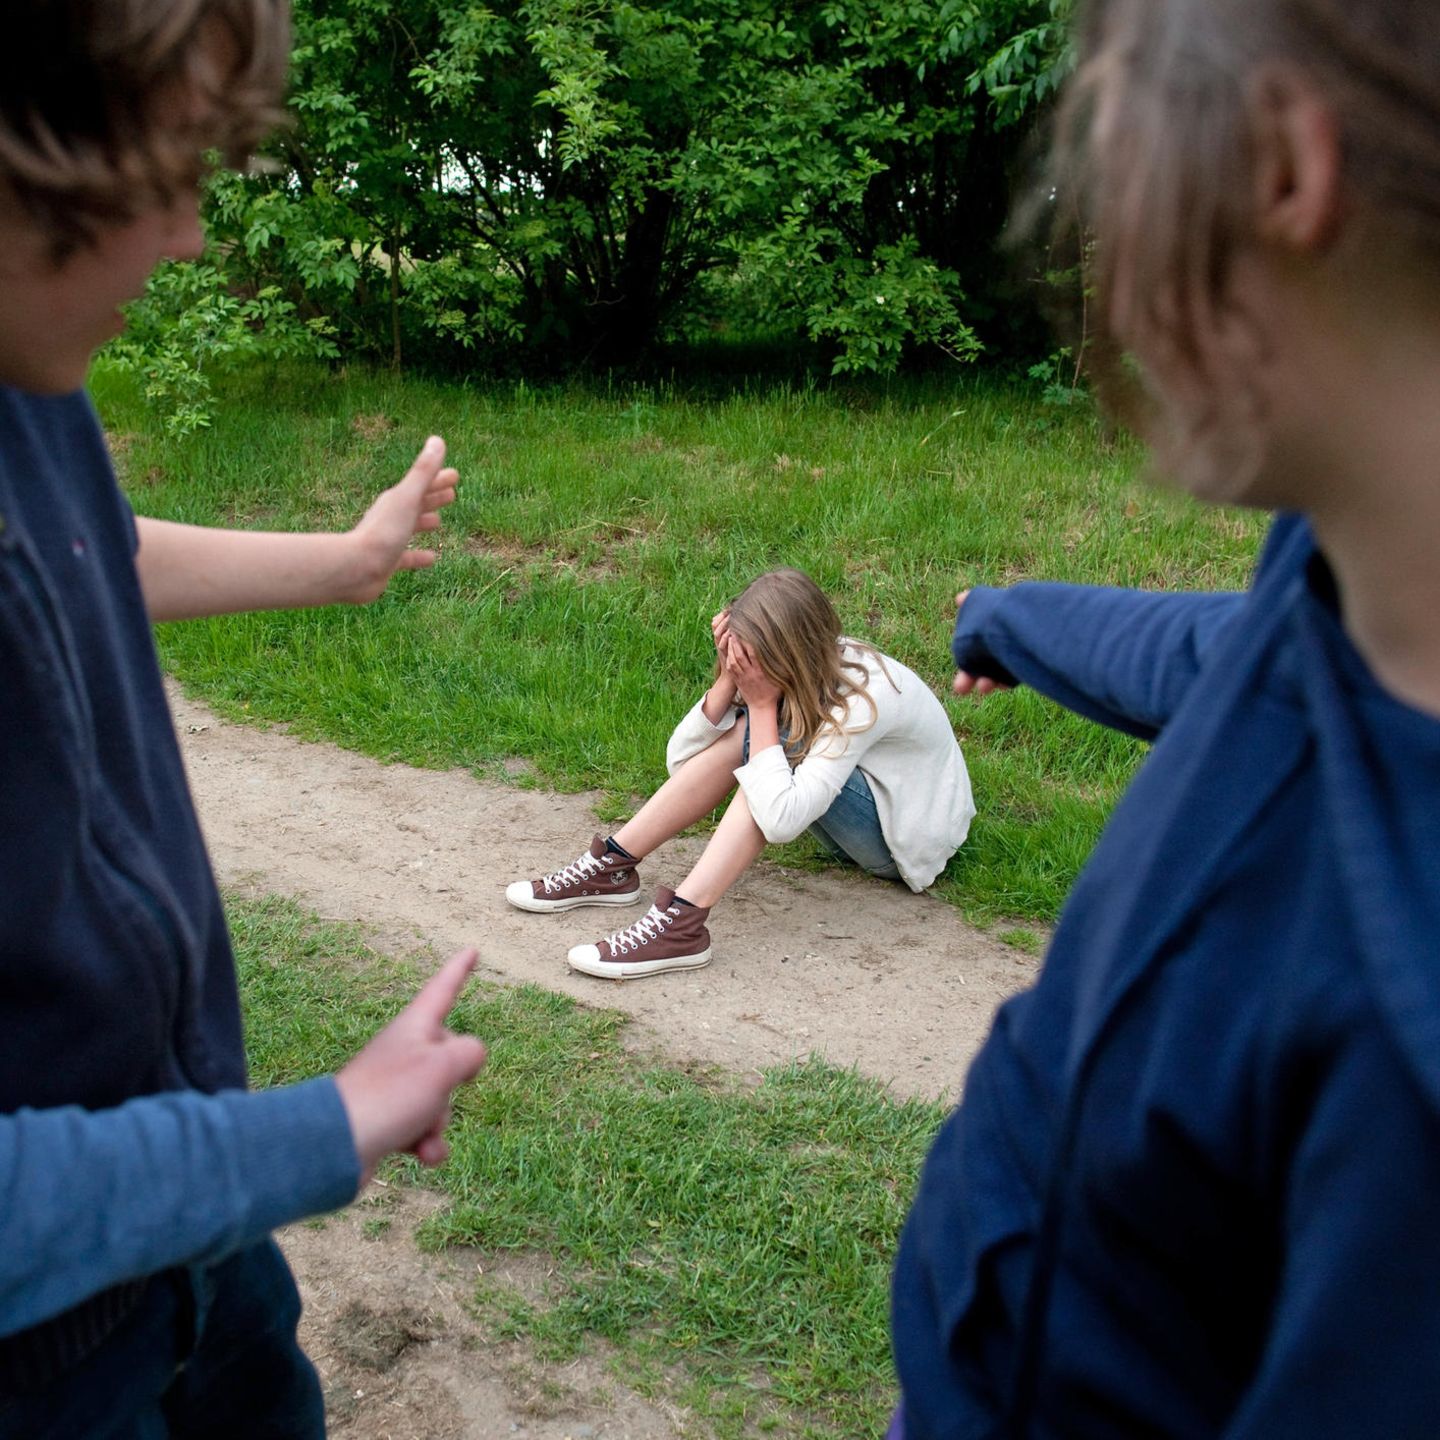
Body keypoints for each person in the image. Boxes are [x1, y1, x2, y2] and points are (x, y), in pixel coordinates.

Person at [889, 1, 1440, 1436]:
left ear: (1275, 166)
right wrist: (1012, 618)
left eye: (1109, 165)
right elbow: (1230, 663)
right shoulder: (1351, 576)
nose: (1105, 260)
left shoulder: (1410, 1041)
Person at [0, 3, 487, 1434]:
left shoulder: (24, 375)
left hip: (195, 1257)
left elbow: (84, 542)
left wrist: (347, 565)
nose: (192, 239)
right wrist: (317, 1132)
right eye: (171, 170)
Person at [507, 568, 976, 979]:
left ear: (789, 652)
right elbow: (682, 765)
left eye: (750, 659)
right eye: (738, 655)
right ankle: (612, 866)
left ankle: (683, 924)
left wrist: (759, 704)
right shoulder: (807, 665)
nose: (745, 667)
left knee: (770, 742)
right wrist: (729, 678)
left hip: (905, 844)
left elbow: (781, 819)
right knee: (760, 737)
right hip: (850, 812)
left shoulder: (863, 699)